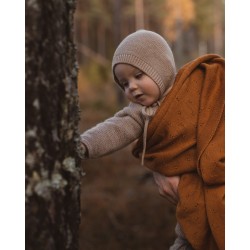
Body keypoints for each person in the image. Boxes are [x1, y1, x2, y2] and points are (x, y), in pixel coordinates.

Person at [77, 30, 225, 250]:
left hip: (213, 177)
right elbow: (115, 129)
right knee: (188, 232)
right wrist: (83, 144)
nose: (132, 87)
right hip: (188, 194)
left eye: (138, 76)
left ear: (161, 68)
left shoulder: (194, 87)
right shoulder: (141, 112)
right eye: (124, 83)